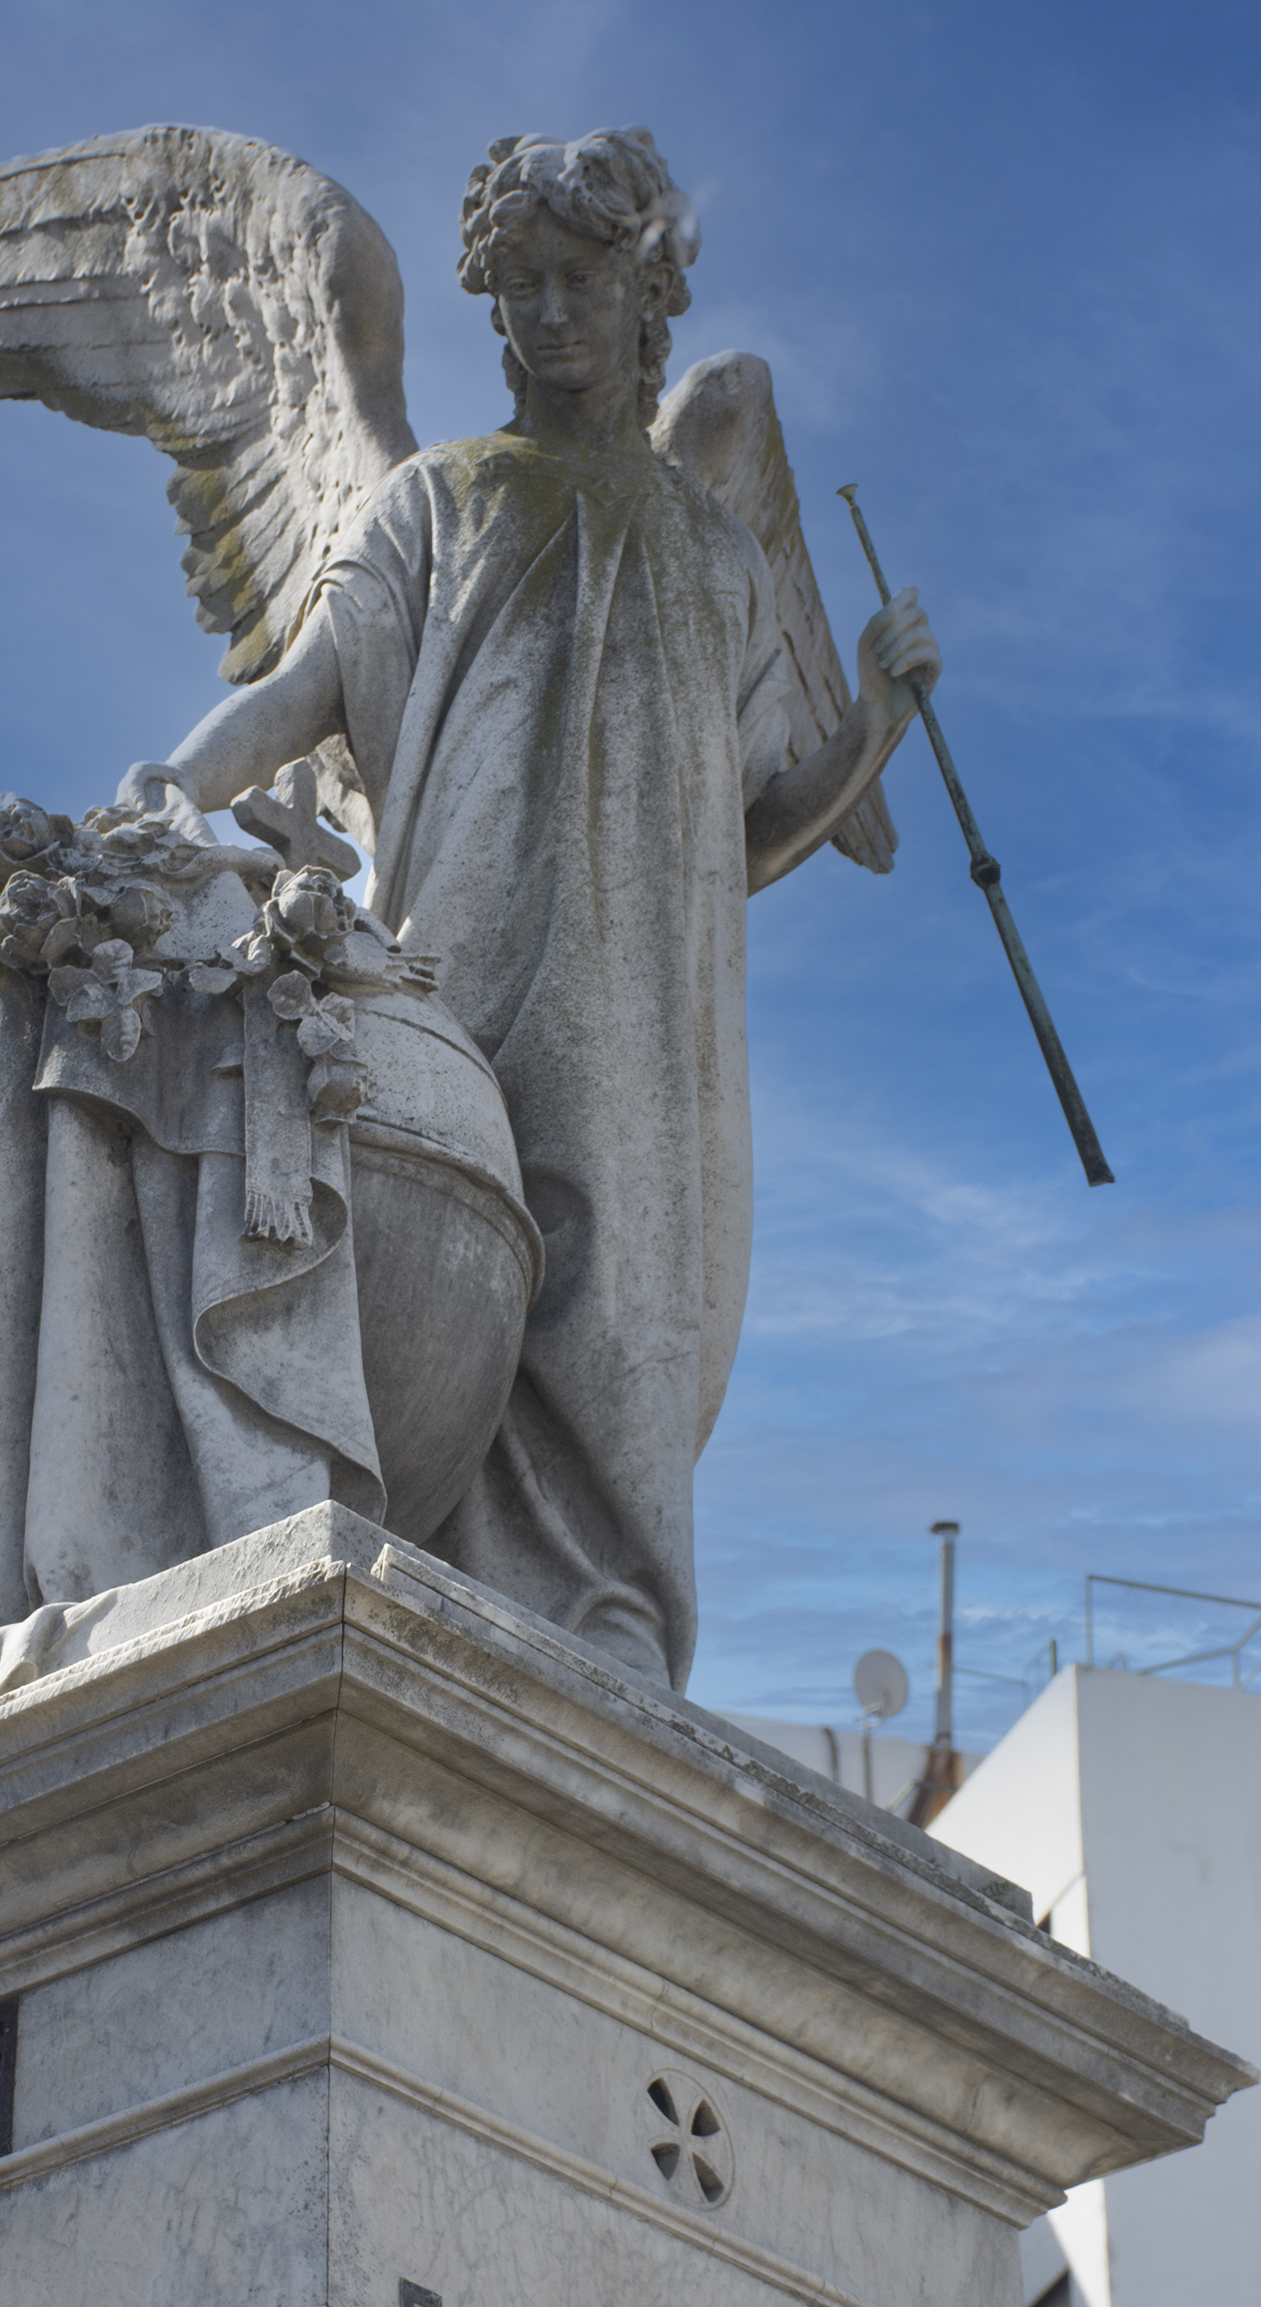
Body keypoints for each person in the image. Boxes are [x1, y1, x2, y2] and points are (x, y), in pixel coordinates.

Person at [118, 129, 940, 1687]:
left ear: (649, 301)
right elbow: (308, 688)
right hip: (460, 963)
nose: (549, 315)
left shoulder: (711, 545)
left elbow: (753, 833)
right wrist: (175, 776)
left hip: (648, 1007)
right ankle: (420, 1556)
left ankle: (607, 1617)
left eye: (583, 283)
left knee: (624, 1298)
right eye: (525, 288)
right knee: (451, 1243)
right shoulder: (440, 498)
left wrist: (876, 723)